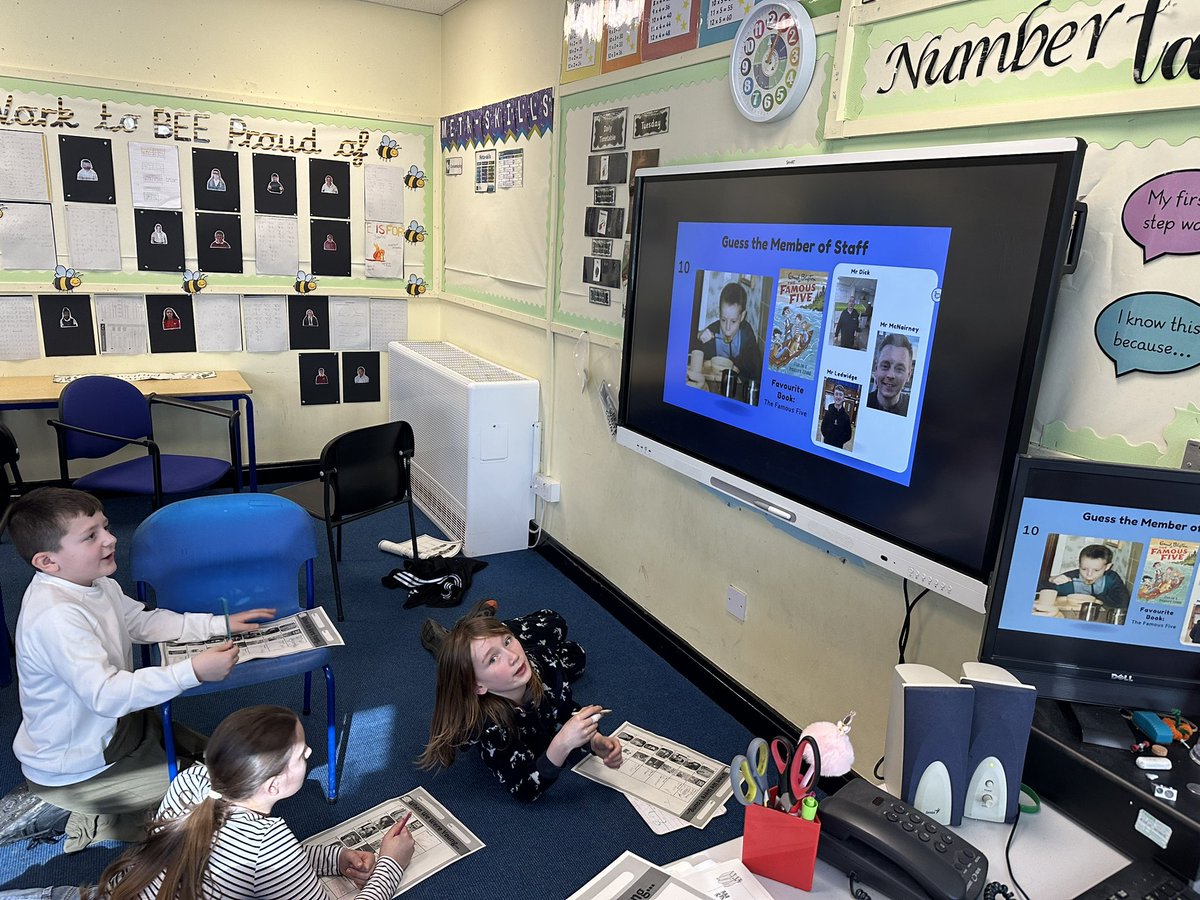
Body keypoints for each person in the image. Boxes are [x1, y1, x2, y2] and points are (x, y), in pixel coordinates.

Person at [2, 487, 274, 853]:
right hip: (80, 765)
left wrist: (217, 624)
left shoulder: (95, 584)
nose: (110, 539)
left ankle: (115, 807)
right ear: (47, 562)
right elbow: (106, 695)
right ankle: (75, 810)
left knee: (226, 762)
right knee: (223, 797)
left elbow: (141, 623)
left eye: (106, 527)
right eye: (91, 536)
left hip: (116, 730)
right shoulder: (55, 616)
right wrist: (192, 671)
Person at [91, 705, 414, 899]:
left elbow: (248, 861)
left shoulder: (191, 780)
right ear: (273, 785)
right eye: (302, 754)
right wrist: (391, 864)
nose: (311, 754)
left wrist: (335, 858)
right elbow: (264, 858)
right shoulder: (270, 843)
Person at [418, 608, 622, 802]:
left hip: (530, 651)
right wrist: (563, 743)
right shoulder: (486, 726)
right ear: (478, 686)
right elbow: (525, 789)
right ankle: (451, 642)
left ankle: (485, 633)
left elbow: (563, 709)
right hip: (478, 677)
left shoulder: (541, 662)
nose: (514, 656)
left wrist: (594, 740)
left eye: (508, 641)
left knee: (568, 641)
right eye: (493, 659)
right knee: (461, 655)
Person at [696, 281, 763, 377]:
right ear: (719, 312)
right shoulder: (712, 331)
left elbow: (756, 369)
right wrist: (699, 335)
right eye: (723, 320)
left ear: (742, 316)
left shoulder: (746, 333)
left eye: (733, 321)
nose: (727, 328)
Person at [1038, 544, 1131, 611]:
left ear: (1107, 567)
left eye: (1096, 570)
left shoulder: (1112, 579)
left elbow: (1123, 603)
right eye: (1084, 569)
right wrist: (1051, 579)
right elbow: (1037, 589)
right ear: (1079, 565)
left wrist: (1094, 597)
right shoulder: (1071, 579)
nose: (1089, 575)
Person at [866, 333, 914, 416]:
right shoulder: (864, 401)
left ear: (909, 375)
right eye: (885, 366)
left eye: (899, 369)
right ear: (876, 368)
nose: (890, 375)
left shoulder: (913, 410)